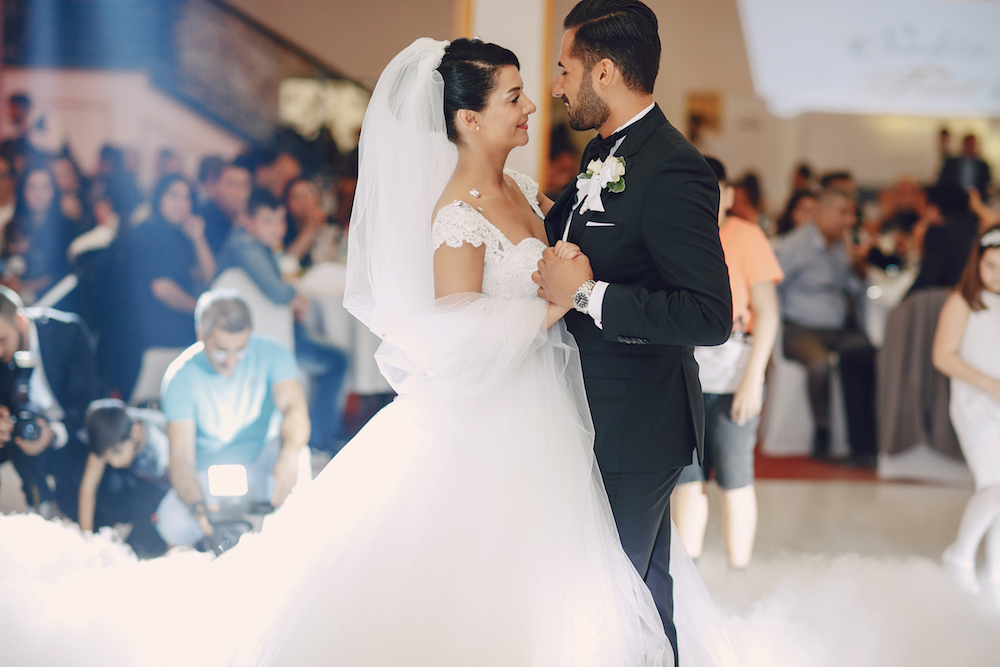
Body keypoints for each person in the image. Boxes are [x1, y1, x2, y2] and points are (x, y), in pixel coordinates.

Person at [533, 1, 733, 661]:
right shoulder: (602, 150)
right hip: (595, 415)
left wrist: (588, 294)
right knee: (640, 591)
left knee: (610, 592)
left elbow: (708, 313)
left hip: (638, 423)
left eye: (565, 70)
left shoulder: (673, 168)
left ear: (606, 72)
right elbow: (556, 232)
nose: (556, 85)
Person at [671, 157, 782, 569]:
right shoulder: (677, 236)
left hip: (736, 377)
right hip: (686, 379)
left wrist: (753, 380)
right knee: (688, 481)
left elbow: (768, 313)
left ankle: (740, 572)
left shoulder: (748, 237)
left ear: (730, 195)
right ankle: (689, 570)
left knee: (736, 479)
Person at [154, 290, 311, 548]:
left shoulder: (273, 353)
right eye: (221, 350)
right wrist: (199, 510)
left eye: (240, 350)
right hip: (205, 475)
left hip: (262, 464)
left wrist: (289, 456)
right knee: (171, 524)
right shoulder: (180, 375)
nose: (231, 361)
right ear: (201, 334)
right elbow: (181, 457)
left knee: (299, 454)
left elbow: (295, 409)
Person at [216, 188, 348, 454]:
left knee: (334, 355)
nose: (276, 229)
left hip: (271, 331)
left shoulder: (257, 246)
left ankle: (319, 435)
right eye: (267, 221)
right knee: (337, 360)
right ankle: (320, 440)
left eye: (280, 221)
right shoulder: (244, 246)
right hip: (263, 339)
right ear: (248, 220)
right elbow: (276, 291)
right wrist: (295, 299)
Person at [775, 187, 876, 464]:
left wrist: (859, 264)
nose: (850, 221)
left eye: (852, 214)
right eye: (843, 213)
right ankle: (823, 432)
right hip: (800, 328)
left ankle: (866, 442)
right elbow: (773, 288)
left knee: (868, 355)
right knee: (819, 364)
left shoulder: (840, 247)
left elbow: (853, 287)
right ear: (822, 212)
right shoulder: (794, 246)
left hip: (838, 329)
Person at [932, 225, 1000, 594]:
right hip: (975, 403)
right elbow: (943, 356)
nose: (997, 275)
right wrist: (990, 385)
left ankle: (994, 567)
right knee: (995, 482)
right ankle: (960, 554)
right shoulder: (963, 301)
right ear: (977, 263)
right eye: (991, 266)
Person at [0, 286, 103, 520]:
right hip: (18, 440)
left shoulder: (68, 333)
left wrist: (53, 433)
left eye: (2, 339)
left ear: (20, 319)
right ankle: (37, 509)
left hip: (71, 428)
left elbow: (88, 400)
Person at [128, 174, 215, 354]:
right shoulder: (150, 231)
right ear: (159, 197)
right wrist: (201, 310)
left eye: (187, 197)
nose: (181, 203)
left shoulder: (179, 235)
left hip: (177, 335)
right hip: (157, 337)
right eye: (174, 195)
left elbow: (207, 275)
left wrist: (198, 238)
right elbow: (162, 289)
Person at [78, 399, 171, 558]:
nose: (113, 462)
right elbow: (88, 486)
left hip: (168, 485)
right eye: (106, 458)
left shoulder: (162, 442)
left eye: (117, 452)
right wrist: (86, 539)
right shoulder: (110, 434)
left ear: (135, 432)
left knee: (143, 547)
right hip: (138, 483)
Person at [2, 165, 75, 306]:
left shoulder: (66, 228)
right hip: (10, 305)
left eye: (45, 187)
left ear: (54, 190)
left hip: (51, 304)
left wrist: (23, 286)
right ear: (23, 191)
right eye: (32, 187)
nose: (39, 194)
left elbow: (64, 276)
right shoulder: (12, 226)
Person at [908, 180, 981, 296]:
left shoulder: (937, 232)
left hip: (944, 297)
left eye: (922, 204)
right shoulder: (975, 228)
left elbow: (929, 277)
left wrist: (903, 301)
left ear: (934, 208)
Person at [197, 160, 252, 255]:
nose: (237, 191)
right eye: (230, 183)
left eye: (243, 185)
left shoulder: (253, 218)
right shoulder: (202, 219)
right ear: (216, 185)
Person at [939, 134, 992, 201]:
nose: (971, 147)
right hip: (954, 199)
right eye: (969, 144)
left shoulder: (983, 166)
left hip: (976, 200)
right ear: (964, 145)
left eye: (973, 145)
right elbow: (943, 181)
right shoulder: (951, 163)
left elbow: (987, 186)